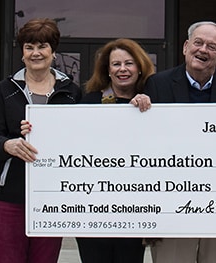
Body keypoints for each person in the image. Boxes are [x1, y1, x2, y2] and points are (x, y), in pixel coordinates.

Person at [143, 21, 216, 263]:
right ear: (185, 47)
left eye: (212, 47)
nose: (203, 50)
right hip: (172, 203)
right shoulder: (157, 84)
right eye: (198, 43)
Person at [0, 18, 82, 263]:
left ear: (53, 52)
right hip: (7, 195)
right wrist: (9, 144)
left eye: (42, 46)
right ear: (22, 52)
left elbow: (80, 140)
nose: (36, 53)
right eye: (29, 47)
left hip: (52, 195)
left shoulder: (71, 92)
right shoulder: (4, 89)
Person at [75, 38, 155, 263]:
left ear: (139, 68)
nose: (123, 69)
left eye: (129, 63)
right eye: (116, 64)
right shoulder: (88, 103)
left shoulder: (153, 104)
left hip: (134, 208)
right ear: (107, 70)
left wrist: (148, 108)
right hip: (93, 208)